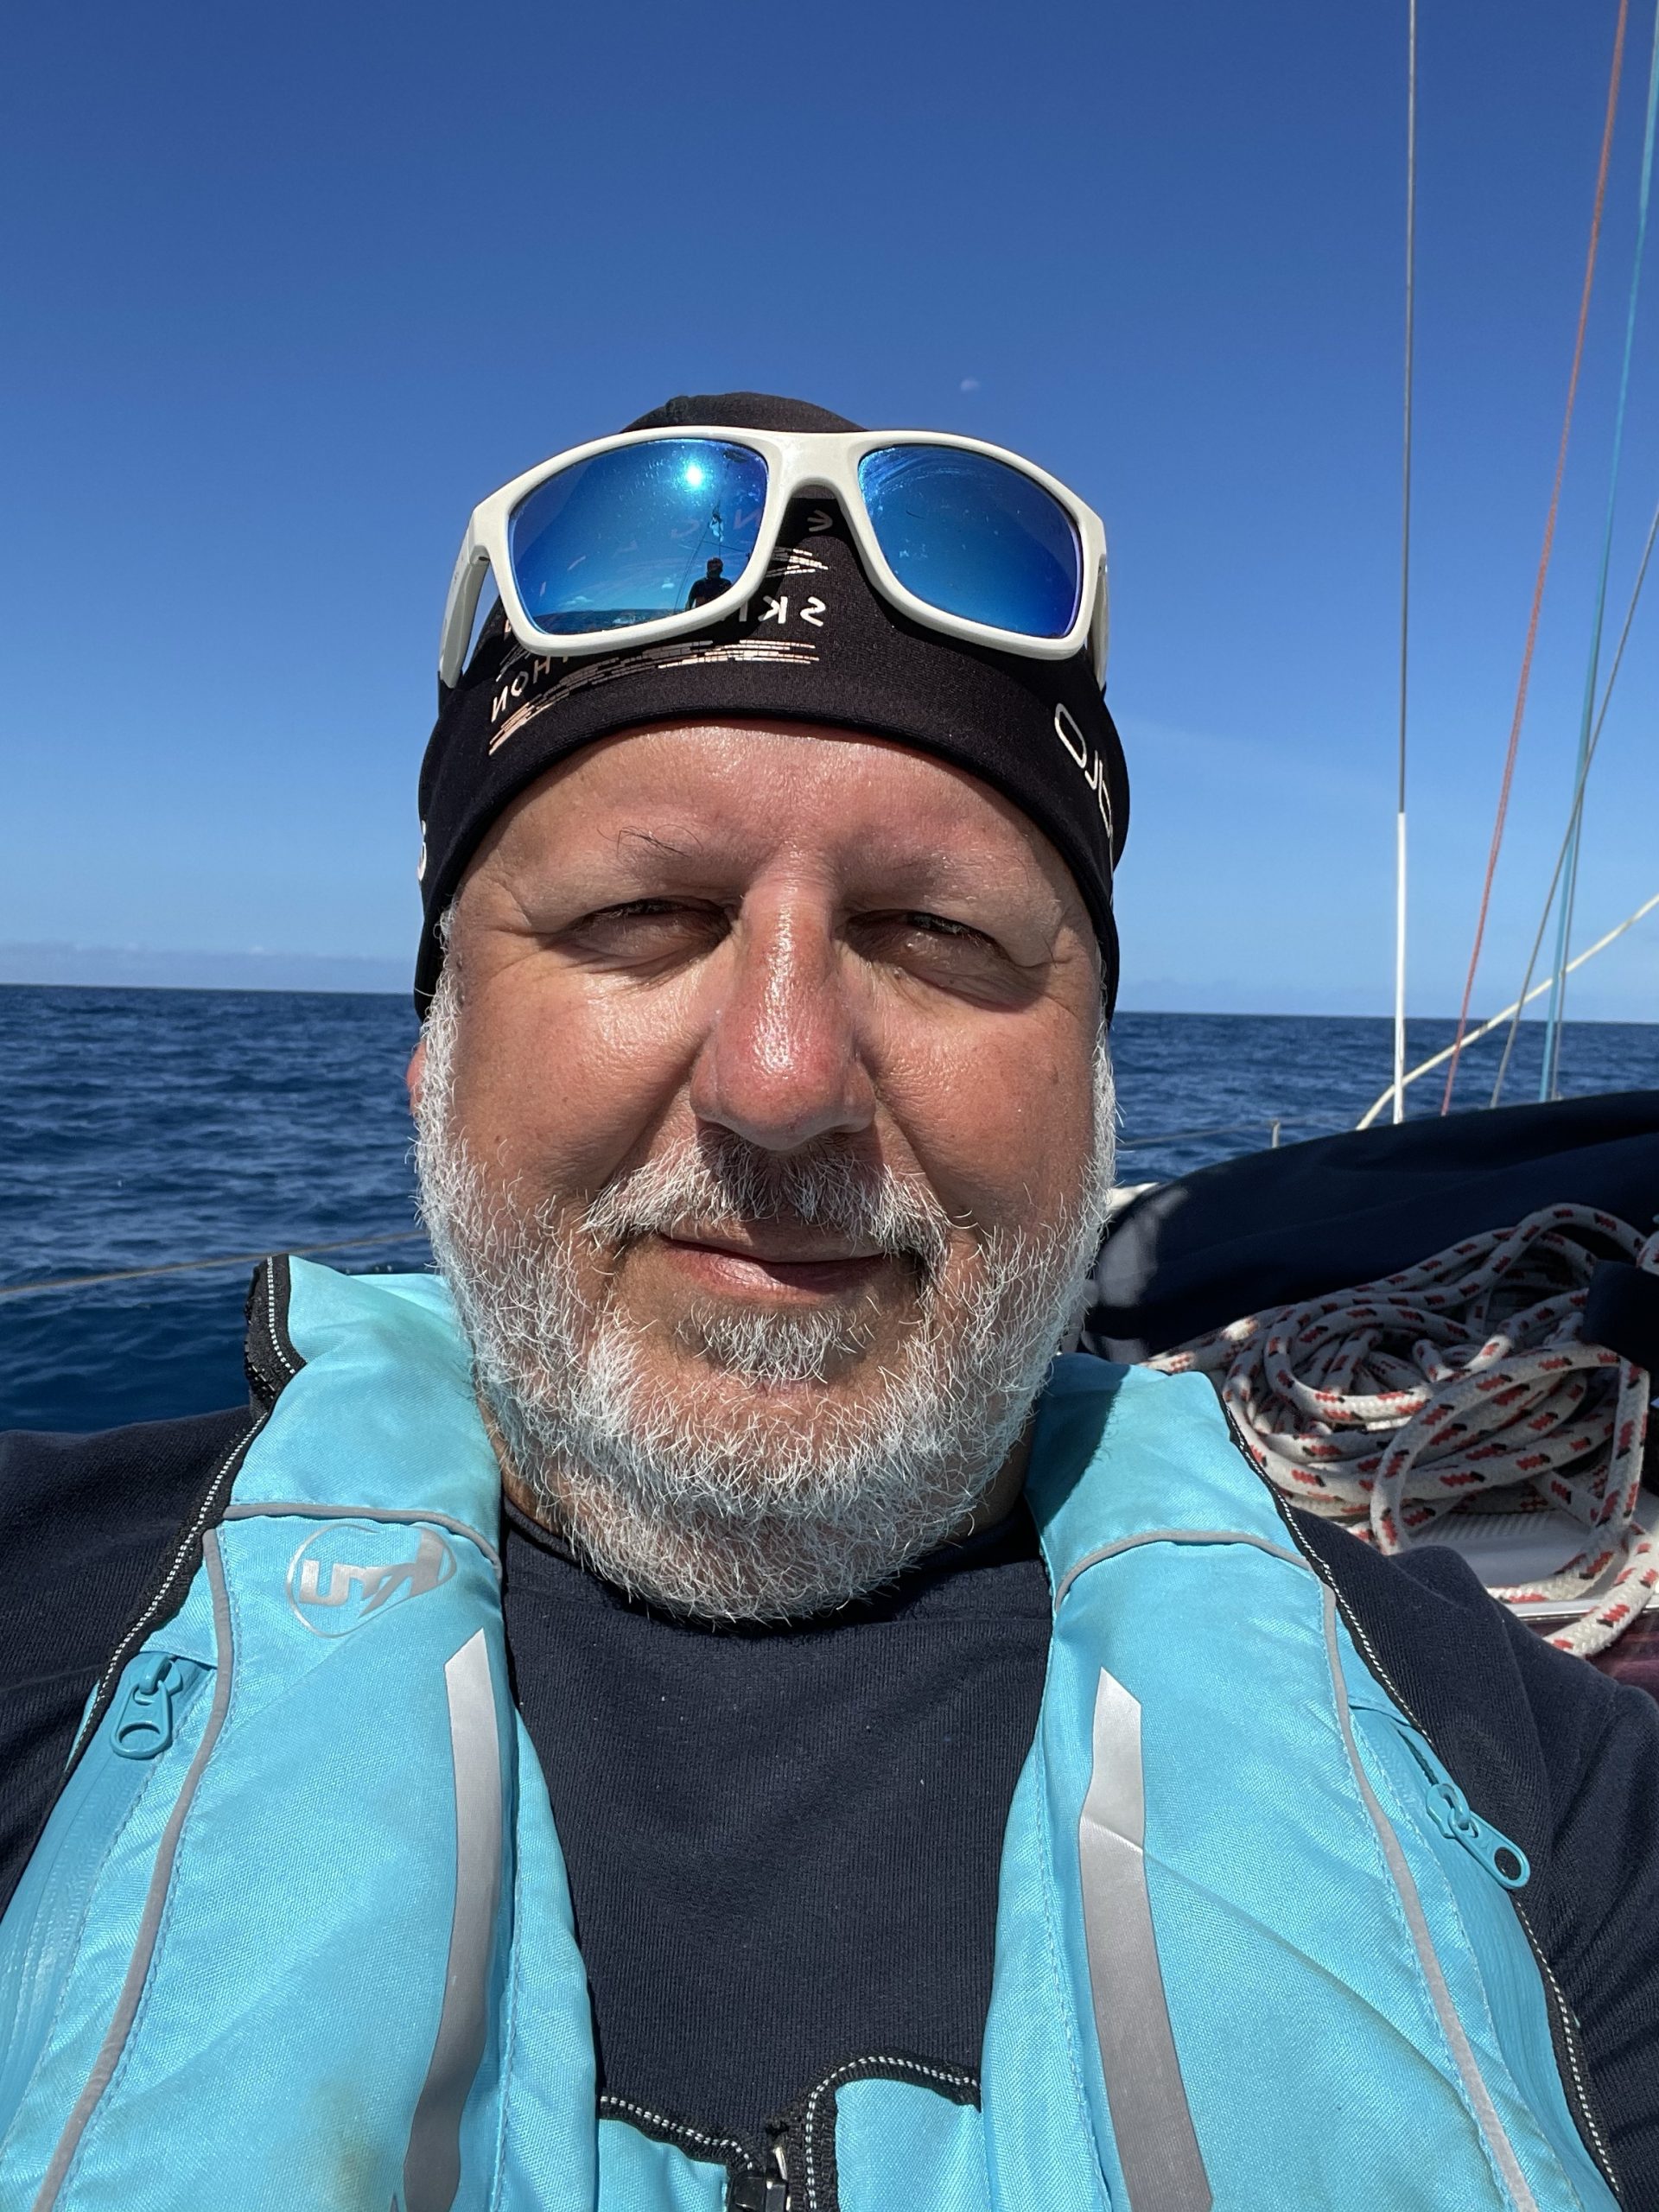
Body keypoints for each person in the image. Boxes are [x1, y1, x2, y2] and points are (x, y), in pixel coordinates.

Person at [1, 391, 1656, 2212]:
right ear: (434, 1049)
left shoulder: (1543, 1794)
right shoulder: (43, 1629)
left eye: (938, 936)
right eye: (641, 915)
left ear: (1097, 1086)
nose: (784, 1078)